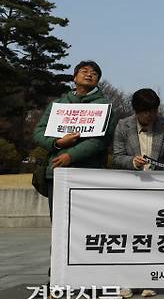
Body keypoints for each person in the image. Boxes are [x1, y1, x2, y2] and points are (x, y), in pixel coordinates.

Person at [112, 87, 164, 298]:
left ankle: (150, 279)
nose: (151, 115)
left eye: (154, 110)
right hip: (132, 189)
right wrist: (132, 161)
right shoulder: (123, 126)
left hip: (158, 188)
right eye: (146, 111)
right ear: (136, 110)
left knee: (155, 236)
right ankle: (128, 281)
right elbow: (116, 156)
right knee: (131, 235)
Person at [33, 60, 116, 217]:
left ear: (98, 80)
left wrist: (71, 155)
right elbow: (38, 132)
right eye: (84, 71)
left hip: (89, 171)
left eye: (94, 73)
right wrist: (57, 143)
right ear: (74, 77)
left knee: (87, 220)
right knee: (58, 220)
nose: (89, 74)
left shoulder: (105, 105)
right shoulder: (57, 104)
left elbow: (102, 140)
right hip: (56, 170)